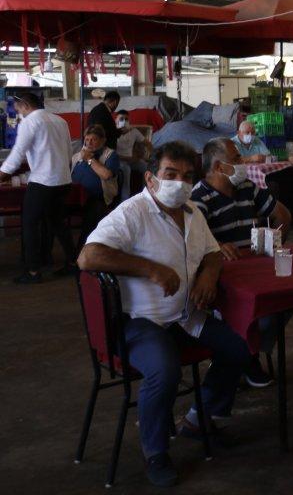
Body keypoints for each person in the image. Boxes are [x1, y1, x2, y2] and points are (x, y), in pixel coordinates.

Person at [77, 141, 251, 487]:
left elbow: (213, 253)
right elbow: (88, 257)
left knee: (238, 350)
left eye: (187, 176)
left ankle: (196, 421)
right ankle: (155, 452)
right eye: (170, 174)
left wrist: (208, 275)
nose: (179, 182)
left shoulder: (192, 212)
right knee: (165, 368)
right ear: (151, 178)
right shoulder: (131, 213)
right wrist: (150, 269)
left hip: (185, 316)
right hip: (140, 321)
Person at [191, 138, 291, 387]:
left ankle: (247, 353)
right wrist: (214, 246)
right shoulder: (199, 197)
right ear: (217, 167)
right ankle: (244, 358)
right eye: (236, 159)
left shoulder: (247, 187)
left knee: (287, 298)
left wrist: (276, 239)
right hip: (225, 277)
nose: (242, 164)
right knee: (246, 309)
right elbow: (193, 240)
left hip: (257, 268)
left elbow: (281, 214)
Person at [2, 89, 72, 283]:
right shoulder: (60, 120)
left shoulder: (29, 122)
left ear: (25, 105)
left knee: (30, 225)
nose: (17, 112)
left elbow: (18, 154)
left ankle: (33, 271)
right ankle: (73, 262)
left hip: (42, 181)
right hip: (63, 180)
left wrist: (2, 175)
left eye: (17, 108)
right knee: (58, 223)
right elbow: (68, 150)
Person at [71, 124, 121, 249]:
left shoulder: (110, 155)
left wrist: (90, 159)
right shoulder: (77, 156)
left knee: (92, 214)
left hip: (99, 198)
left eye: (93, 139)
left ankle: (81, 254)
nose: (89, 143)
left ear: (103, 140)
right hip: (76, 197)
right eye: (87, 140)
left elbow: (106, 175)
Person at [115, 109, 152, 199]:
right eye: (121, 119)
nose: (124, 121)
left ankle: (145, 196)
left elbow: (148, 144)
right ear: (116, 120)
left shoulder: (134, 131)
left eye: (126, 119)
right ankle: (125, 201)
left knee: (146, 166)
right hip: (119, 160)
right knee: (126, 170)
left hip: (131, 160)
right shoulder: (112, 132)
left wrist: (147, 155)